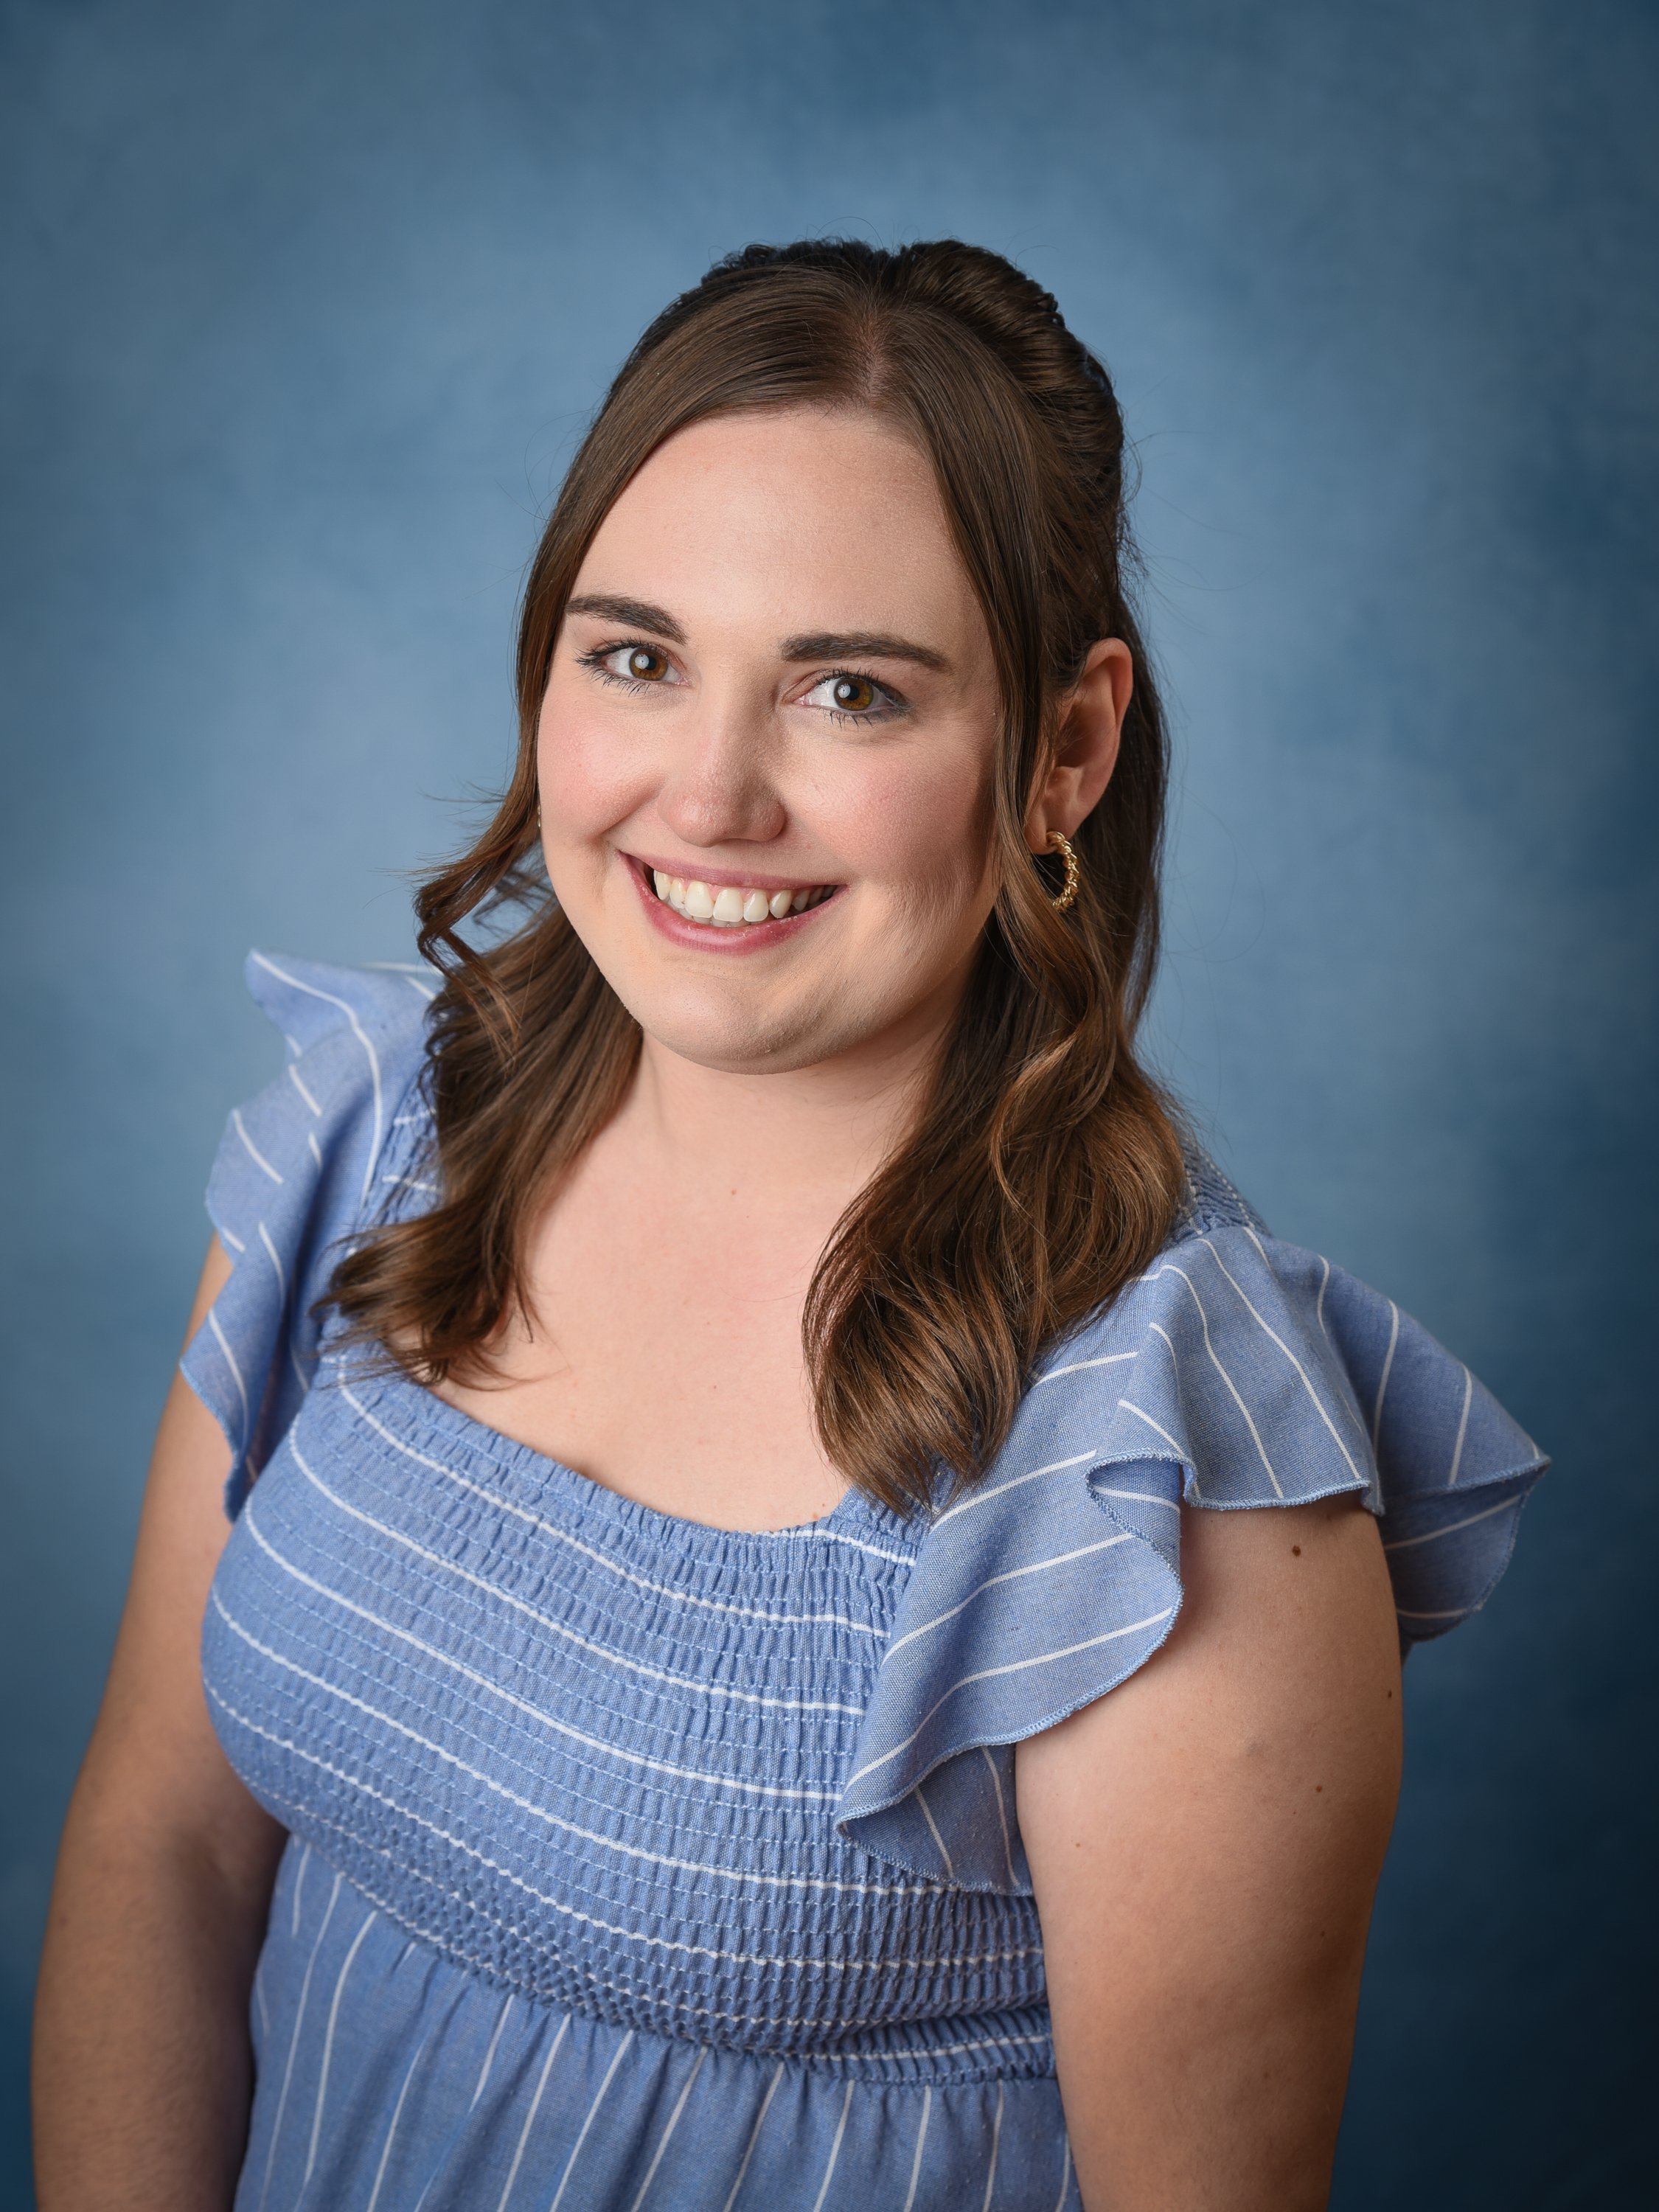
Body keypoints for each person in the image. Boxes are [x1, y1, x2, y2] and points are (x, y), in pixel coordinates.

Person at [32, 239, 1544, 2212]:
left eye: (849, 691)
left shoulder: (1164, 1467)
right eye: (637, 658)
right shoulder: (371, 1135)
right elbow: (162, 1846)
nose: (711, 796)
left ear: (1065, 750)